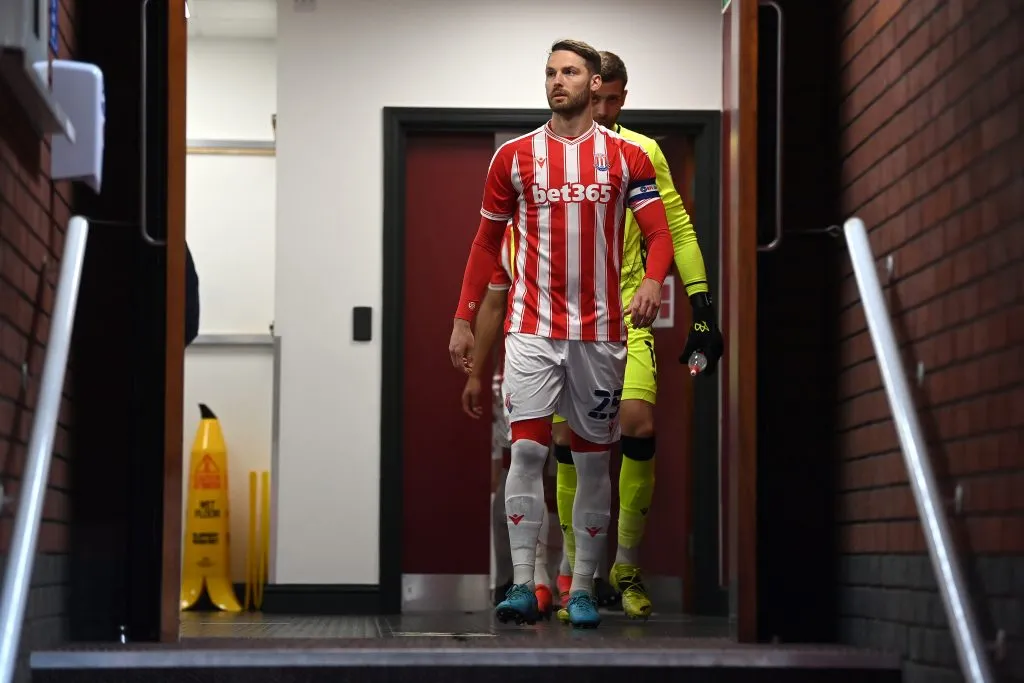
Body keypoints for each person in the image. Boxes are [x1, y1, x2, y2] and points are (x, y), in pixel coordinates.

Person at [449, 38, 674, 629]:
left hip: (601, 334)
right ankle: (524, 583)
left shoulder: (628, 159)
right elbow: (484, 243)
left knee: (595, 463)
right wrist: (462, 318)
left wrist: (653, 283)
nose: (557, 81)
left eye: (570, 72)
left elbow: (659, 234)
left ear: (595, 82)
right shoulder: (514, 158)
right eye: (550, 72)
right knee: (526, 450)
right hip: (531, 329)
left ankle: (583, 586)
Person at [550, 51, 726, 623]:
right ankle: (577, 571)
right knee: (570, 441)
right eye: (593, 97)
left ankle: (625, 565)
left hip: (627, 315)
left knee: (638, 425)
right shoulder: (552, 151)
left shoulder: (640, 152)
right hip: (564, 320)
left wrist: (701, 308)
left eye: (611, 99)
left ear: (620, 97)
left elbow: (676, 226)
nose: (599, 108)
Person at [469, 222, 557, 619]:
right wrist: (475, 374)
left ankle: (564, 580)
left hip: (579, 360)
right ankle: (517, 579)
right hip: (520, 370)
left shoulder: (584, 225)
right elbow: (492, 303)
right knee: (520, 467)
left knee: (569, 471)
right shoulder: (511, 237)